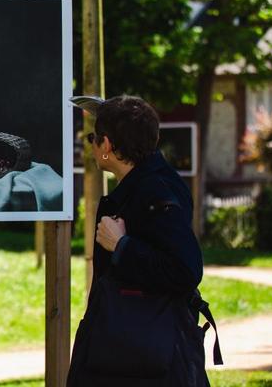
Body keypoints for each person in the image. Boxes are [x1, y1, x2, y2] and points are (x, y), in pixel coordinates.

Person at [67, 95, 212, 386]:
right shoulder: (149, 183)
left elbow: (186, 269)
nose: (91, 144)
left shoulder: (155, 191)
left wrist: (122, 246)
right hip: (133, 351)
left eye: (93, 137)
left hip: (143, 359)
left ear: (106, 145)